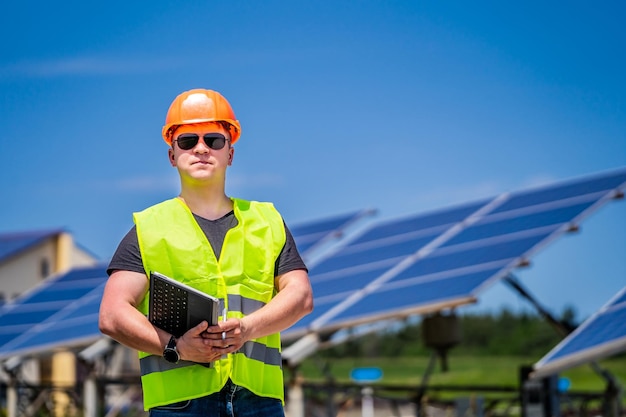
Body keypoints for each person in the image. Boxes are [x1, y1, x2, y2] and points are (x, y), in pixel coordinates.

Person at [99, 88, 314, 416]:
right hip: (180, 405)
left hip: (259, 401)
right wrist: (177, 348)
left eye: (214, 139)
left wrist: (248, 329)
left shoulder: (267, 221)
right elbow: (112, 314)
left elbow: (300, 296)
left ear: (230, 153)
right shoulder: (148, 228)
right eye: (188, 141)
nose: (201, 148)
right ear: (172, 155)